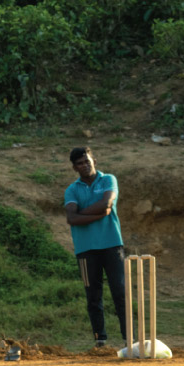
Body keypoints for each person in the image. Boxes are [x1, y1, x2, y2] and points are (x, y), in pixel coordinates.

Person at [64, 146, 126, 349]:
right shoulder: (72, 190)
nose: (84, 165)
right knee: (93, 295)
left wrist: (81, 214)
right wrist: (97, 214)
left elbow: (107, 203)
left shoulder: (108, 180)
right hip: (85, 249)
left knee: (120, 292)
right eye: (79, 163)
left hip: (112, 245)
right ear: (74, 168)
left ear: (94, 161)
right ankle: (100, 340)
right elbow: (71, 218)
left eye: (87, 161)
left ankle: (129, 339)